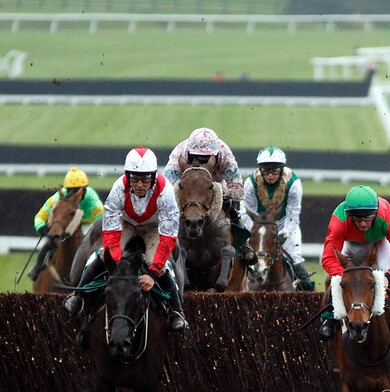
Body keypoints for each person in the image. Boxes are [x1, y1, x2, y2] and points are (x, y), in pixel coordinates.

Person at [63, 147, 187, 332]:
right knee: (104, 253)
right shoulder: (119, 187)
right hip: (126, 224)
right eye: (134, 178)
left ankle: (176, 312)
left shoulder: (166, 191)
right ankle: (78, 295)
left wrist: (152, 274)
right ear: (127, 175)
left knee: (157, 262)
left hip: (154, 228)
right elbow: (111, 229)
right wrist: (114, 261)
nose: (139, 184)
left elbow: (168, 236)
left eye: (145, 179)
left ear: (153, 177)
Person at [318, 185, 390, 340]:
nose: (363, 224)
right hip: (350, 245)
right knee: (335, 280)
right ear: (349, 214)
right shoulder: (339, 218)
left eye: (368, 217)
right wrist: (344, 275)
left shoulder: (387, 214)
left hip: (379, 244)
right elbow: (328, 258)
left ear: (376, 213)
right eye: (358, 219)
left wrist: (389, 276)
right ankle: (330, 320)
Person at [162, 127, 256, 265]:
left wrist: (227, 194)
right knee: (167, 207)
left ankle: (244, 244)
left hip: (214, 185)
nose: (201, 163)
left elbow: (237, 188)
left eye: (206, 159)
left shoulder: (225, 154)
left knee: (233, 207)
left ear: (216, 155)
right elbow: (167, 188)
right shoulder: (178, 154)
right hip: (187, 187)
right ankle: (162, 241)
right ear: (188, 154)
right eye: (196, 158)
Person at [240, 146, 314, 290]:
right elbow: (246, 211)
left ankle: (309, 292)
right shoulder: (250, 183)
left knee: (296, 259)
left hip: (284, 224)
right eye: (266, 172)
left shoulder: (294, 183)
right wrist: (254, 232)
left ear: (281, 169)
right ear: (260, 170)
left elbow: (293, 212)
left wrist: (284, 233)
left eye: (274, 171)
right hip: (258, 227)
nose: (270, 176)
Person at [28, 167, 104, 281]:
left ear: (84, 189)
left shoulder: (92, 199)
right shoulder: (58, 197)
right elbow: (40, 216)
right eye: (70, 190)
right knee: (50, 241)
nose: (73, 194)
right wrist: (42, 228)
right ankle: (37, 267)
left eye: (76, 190)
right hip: (66, 225)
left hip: (87, 225)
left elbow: (102, 220)